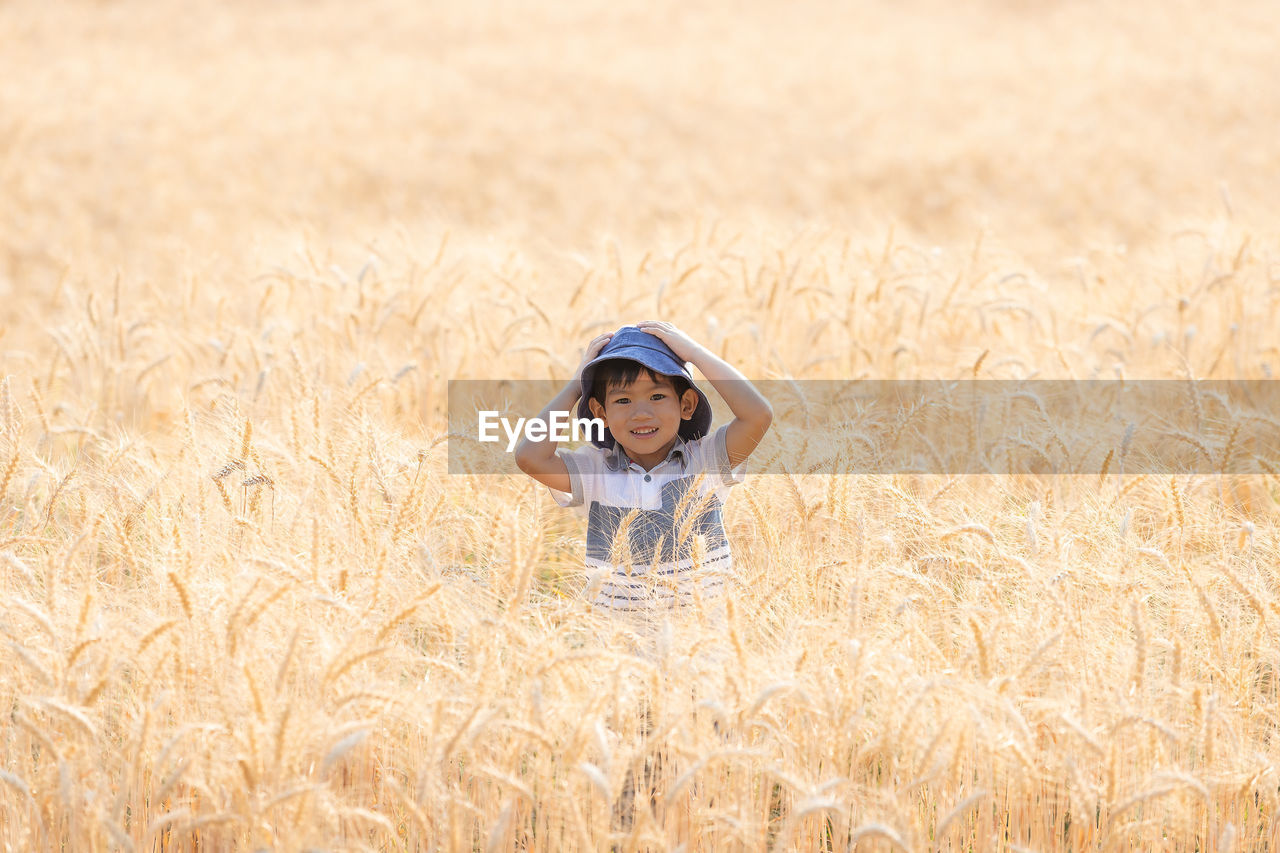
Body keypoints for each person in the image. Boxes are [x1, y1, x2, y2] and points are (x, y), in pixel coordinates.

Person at [514, 321, 772, 626]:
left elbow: (758, 415)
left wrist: (695, 354)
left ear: (687, 404)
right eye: (623, 400)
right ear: (600, 414)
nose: (641, 413)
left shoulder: (706, 461)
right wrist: (576, 385)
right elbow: (529, 456)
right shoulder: (595, 471)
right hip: (618, 653)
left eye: (657, 396)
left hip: (702, 649)